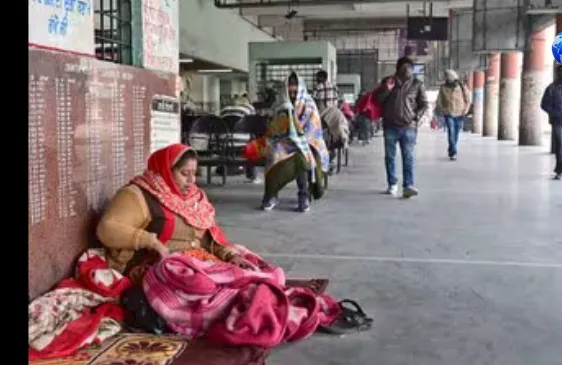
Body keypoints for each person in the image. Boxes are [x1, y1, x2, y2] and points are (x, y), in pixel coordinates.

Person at [94, 144, 371, 347]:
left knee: (247, 273)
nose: (192, 181)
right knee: (210, 291)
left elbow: (210, 238)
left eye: (194, 173)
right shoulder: (139, 194)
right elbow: (107, 229)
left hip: (193, 260)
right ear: (166, 170)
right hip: (154, 266)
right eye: (184, 174)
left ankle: (300, 310)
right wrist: (150, 240)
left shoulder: (193, 199)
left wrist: (228, 255)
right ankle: (283, 316)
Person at [261, 72, 329, 212]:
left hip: (306, 142)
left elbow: (313, 130)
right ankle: (271, 195)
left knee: (302, 158)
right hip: (283, 142)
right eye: (289, 92)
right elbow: (273, 129)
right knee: (273, 156)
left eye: (295, 92)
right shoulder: (278, 104)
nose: (292, 96)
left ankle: (303, 196)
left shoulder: (309, 105)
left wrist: (297, 138)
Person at [375, 57, 429, 198]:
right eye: (404, 67)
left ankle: (408, 186)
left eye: (409, 67)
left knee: (408, 157)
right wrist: (387, 89)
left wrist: (415, 116)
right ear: (398, 68)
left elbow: (424, 104)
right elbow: (378, 100)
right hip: (390, 126)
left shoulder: (417, 84)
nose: (407, 70)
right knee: (390, 157)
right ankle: (392, 184)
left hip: (409, 126)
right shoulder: (388, 81)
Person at [435, 69, 471, 161]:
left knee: (456, 133)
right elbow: (439, 100)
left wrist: (465, 110)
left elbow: (468, 99)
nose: (446, 78)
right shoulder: (443, 87)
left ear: (453, 77)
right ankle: (453, 152)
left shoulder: (461, 86)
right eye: (446, 76)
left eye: (448, 76)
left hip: (460, 113)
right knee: (451, 131)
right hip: (448, 113)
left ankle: (451, 147)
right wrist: (443, 109)